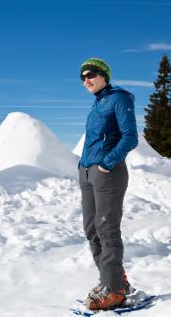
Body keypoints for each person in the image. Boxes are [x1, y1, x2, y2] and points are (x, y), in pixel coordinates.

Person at [78, 58, 138, 311]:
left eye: (90, 74)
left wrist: (107, 163)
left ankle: (114, 291)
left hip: (108, 173)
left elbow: (130, 137)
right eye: (82, 77)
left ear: (104, 75)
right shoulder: (98, 103)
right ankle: (112, 280)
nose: (86, 80)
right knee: (92, 229)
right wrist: (84, 168)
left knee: (107, 229)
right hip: (87, 172)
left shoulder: (119, 98)